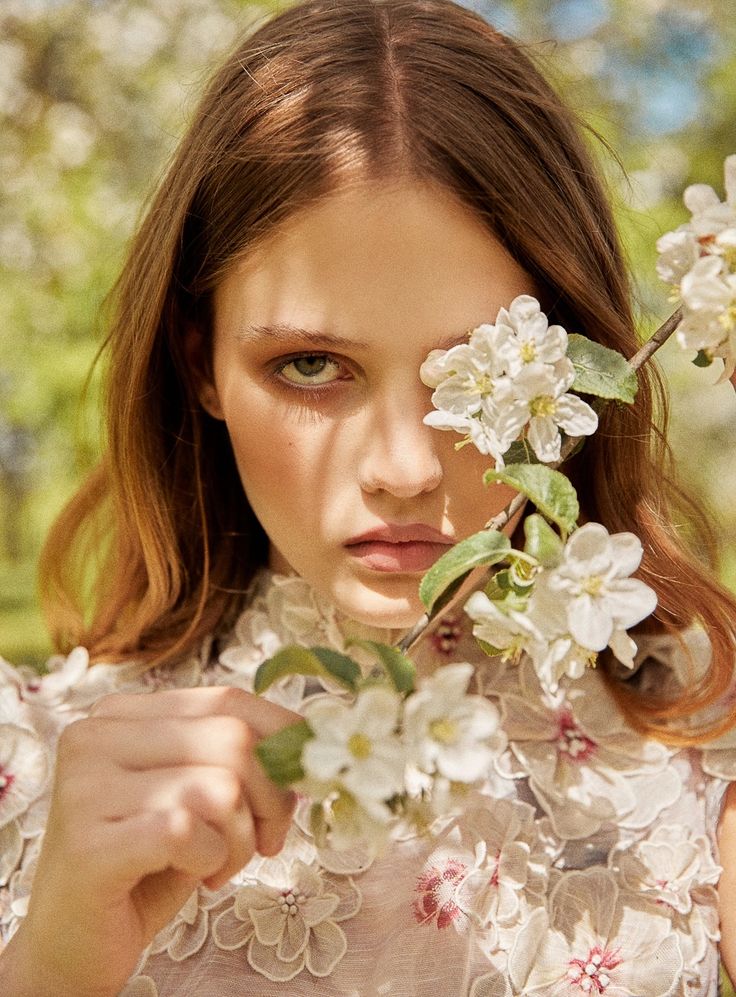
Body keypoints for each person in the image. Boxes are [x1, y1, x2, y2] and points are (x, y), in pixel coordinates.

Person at [1, 0, 735, 993]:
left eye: (464, 378)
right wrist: (50, 965)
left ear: (571, 371)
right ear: (200, 362)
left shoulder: (697, 747)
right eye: (309, 364)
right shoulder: (37, 771)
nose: (402, 465)